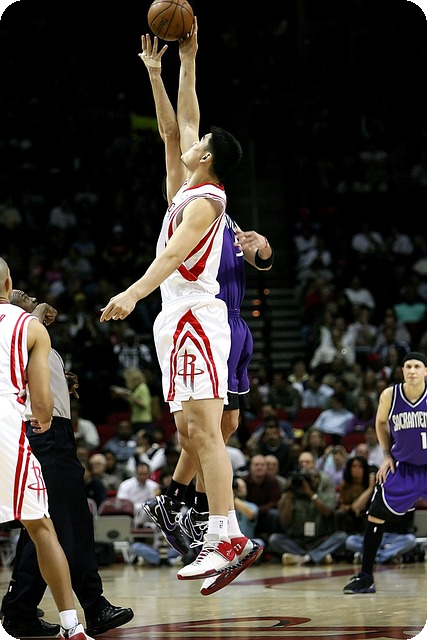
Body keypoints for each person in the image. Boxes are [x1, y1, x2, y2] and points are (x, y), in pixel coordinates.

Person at [100, 21, 265, 589]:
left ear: (208, 157)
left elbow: (172, 257)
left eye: (199, 143)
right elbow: (176, 126)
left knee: (207, 430)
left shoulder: (207, 199)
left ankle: (227, 536)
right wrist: (170, 68)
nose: (186, 141)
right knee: (192, 433)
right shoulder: (187, 189)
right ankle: (207, 528)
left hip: (196, 315)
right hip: (178, 319)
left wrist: (132, 293)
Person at [1, 288, 134, 637]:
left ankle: (19, 610)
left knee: (46, 525)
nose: (27, 295)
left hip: (56, 432)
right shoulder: (19, 327)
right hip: (38, 432)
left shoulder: (33, 333)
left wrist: (60, 380)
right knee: (66, 522)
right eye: (18, 292)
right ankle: (93, 605)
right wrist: (36, 314)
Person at [0, 261, 92, 640]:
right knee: (42, 526)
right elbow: (40, 400)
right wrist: (41, 416)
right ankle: (71, 624)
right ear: (8, 283)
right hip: (12, 425)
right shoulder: (29, 327)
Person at [343, 352, 427, 594]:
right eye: (408, 366)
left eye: (417, 366)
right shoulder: (390, 395)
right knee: (375, 515)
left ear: (425, 371)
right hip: (403, 467)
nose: (412, 370)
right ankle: (366, 577)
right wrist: (386, 454)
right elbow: (380, 423)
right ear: (402, 370)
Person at [268, 467, 347, 565]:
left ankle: (303, 557)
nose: (312, 481)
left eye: (315, 477)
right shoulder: (290, 496)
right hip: (297, 541)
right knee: (274, 539)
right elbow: (285, 520)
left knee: (341, 537)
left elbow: (327, 512)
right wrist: (288, 495)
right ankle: (316, 556)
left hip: (319, 540)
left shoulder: (322, 494)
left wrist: (310, 494)